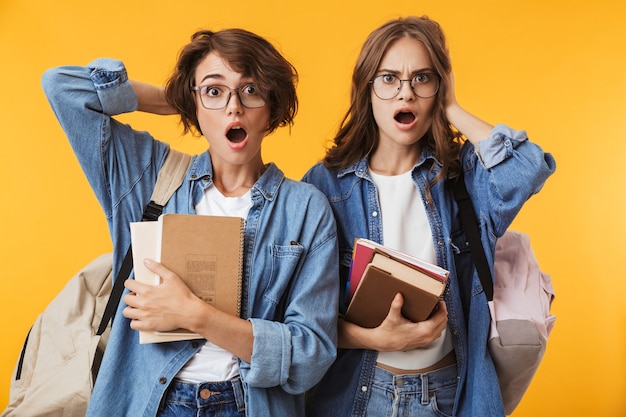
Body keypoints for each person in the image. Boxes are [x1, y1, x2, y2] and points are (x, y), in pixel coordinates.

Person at [42, 28, 339, 417]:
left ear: (272, 107)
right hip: (150, 403)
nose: (234, 107)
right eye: (215, 91)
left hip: (250, 405)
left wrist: (196, 315)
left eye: (251, 90)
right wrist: (177, 100)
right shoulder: (150, 177)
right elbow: (62, 87)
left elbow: (310, 355)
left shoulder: (306, 210)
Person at [302, 15, 556, 417]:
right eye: (388, 79)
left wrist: (453, 106)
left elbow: (528, 168)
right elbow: (298, 316)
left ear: (439, 87)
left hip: (446, 393)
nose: (405, 94)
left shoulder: (462, 177)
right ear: (366, 89)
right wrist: (376, 339)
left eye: (422, 78)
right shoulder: (326, 185)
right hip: (357, 394)